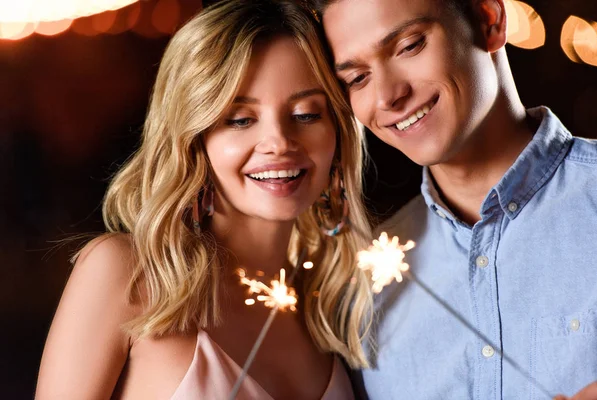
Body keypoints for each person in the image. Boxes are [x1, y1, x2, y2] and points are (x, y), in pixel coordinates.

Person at [35, 1, 374, 398]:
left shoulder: (334, 309)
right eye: (241, 119)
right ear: (194, 139)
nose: (279, 142)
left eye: (305, 114)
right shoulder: (129, 276)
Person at [312, 0, 597, 398]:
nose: (388, 96)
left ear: (489, 21)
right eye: (358, 78)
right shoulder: (365, 283)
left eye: (410, 46)